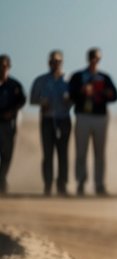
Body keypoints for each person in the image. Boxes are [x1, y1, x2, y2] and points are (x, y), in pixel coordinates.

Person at [68, 47, 117, 196]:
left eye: (97, 58)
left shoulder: (104, 77)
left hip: (100, 117)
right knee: (81, 151)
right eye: (92, 57)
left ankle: (99, 184)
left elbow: (115, 95)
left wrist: (104, 93)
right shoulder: (78, 76)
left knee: (100, 153)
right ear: (88, 58)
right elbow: (70, 95)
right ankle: (81, 183)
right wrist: (82, 91)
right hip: (83, 116)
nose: (94, 60)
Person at [29, 50, 73, 195]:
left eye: (58, 61)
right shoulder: (41, 80)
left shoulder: (68, 81)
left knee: (63, 154)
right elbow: (32, 99)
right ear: (49, 62)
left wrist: (69, 100)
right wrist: (42, 102)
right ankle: (48, 185)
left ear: (62, 62)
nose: (56, 64)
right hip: (47, 120)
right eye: (53, 61)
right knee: (48, 154)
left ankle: (62, 185)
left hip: (64, 120)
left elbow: (75, 98)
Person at [0, 55, 26, 195]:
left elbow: (22, 100)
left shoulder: (14, 85)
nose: (2, 69)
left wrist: (12, 112)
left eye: (4, 66)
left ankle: (2, 179)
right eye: (0, 66)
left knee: (7, 155)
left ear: (8, 67)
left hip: (8, 125)